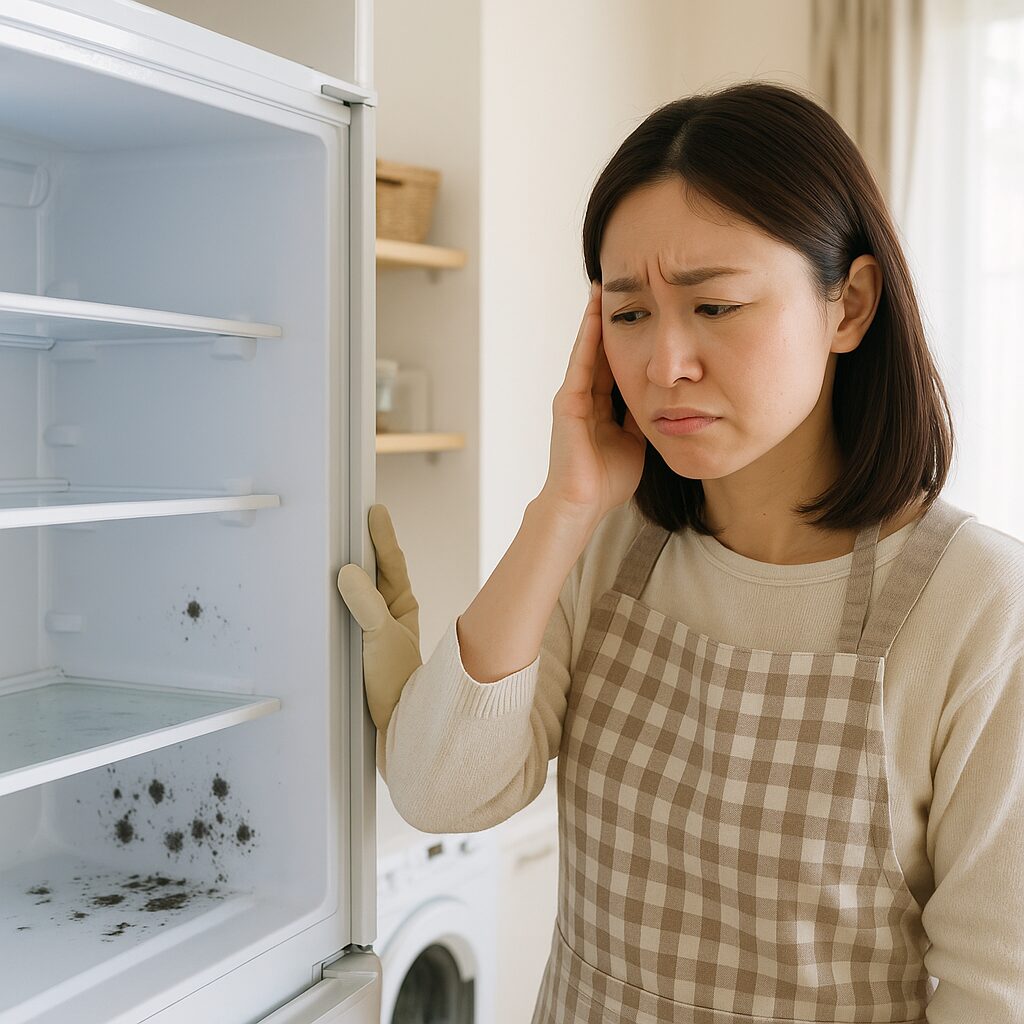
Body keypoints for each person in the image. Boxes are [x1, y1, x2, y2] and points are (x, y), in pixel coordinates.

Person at [338, 81, 1024, 1023]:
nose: (665, 365)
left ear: (850, 306)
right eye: (628, 315)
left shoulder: (979, 607)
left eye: (716, 307)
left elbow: (996, 995)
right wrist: (563, 507)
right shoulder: (612, 542)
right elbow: (439, 795)